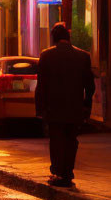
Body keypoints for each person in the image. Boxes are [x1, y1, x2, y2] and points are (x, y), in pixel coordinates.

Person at [35, 22, 96, 188]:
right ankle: (68, 172)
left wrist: (40, 108)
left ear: (54, 38)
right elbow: (89, 85)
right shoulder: (83, 56)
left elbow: (42, 85)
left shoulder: (46, 56)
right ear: (68, 37)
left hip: (53, 107)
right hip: (74, 107)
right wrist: (87, 106)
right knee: (71, 140)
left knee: (56, 140)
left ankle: (58, 172)